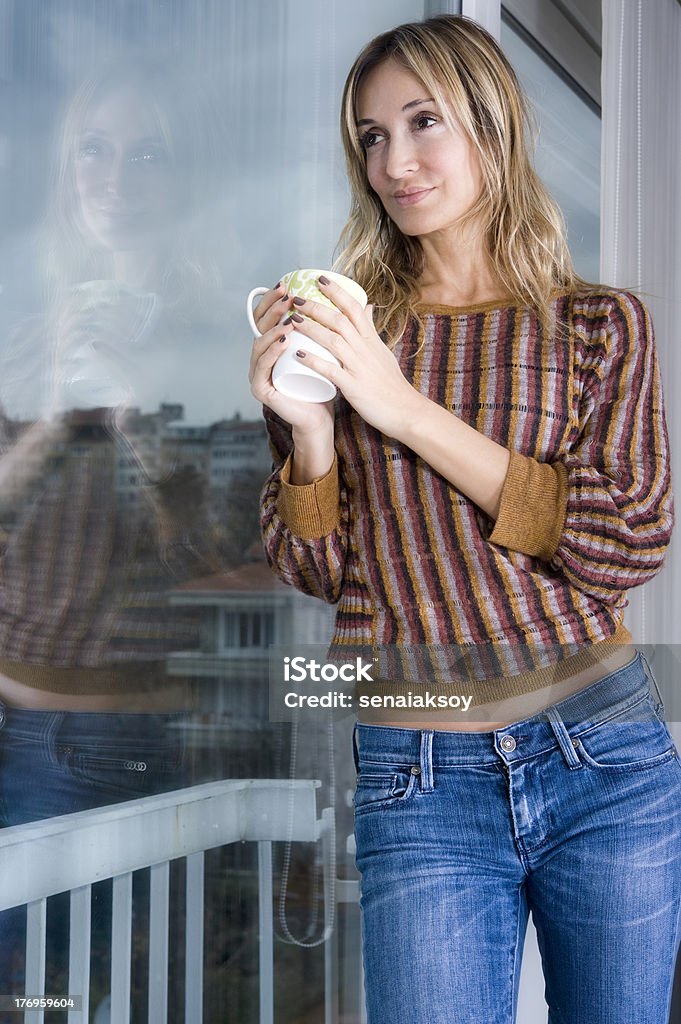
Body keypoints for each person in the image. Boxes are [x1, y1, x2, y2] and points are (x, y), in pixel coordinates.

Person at [249, 15, 681, 1024]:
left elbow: (627, 542)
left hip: (603, 754)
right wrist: (311, 431)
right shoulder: (350, 335)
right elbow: (318, 569)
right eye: (370, 135)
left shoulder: (599, 324)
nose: (394, 160)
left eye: (421, 121)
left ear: (491, 125)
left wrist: (402, 410)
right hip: (420, 773)